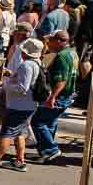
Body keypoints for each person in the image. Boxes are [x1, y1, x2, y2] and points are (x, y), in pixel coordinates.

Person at [0, 37, 42, 173]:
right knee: (19, 132)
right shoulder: (36, 63)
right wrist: (12, 74)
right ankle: (20, 161)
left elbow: (22, 88)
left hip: (18, 106)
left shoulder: (27, 65)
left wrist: (5, 84)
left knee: (6, 134)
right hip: (27, 106)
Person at [31, 30, 77, 161]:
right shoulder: (72, 53)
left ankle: (51, 149)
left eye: (50, 41)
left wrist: (52, 97)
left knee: (38, 121)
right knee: (50, 122)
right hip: (67, 95)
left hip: (59, 96)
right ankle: (45, 152)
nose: (48, 43)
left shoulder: (61, 56)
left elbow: (62, 80)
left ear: (58, 41)